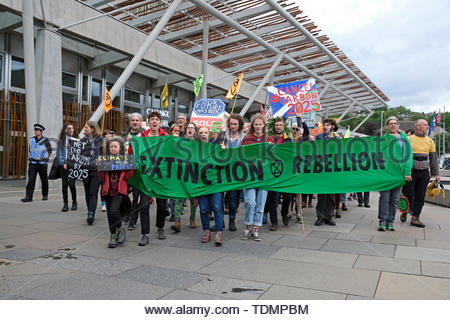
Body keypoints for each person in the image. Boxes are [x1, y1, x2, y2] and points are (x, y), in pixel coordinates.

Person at [402, 119, 440, 228]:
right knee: (408, 194)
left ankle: (415, 217)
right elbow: (403, 157)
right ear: (417, 127)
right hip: (410, 172)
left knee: (420, 196)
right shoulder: (408, 139)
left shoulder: (430, 141)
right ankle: (405, 210)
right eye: (425, 125)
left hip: (424, 173)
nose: (427, 127)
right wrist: (404, 172)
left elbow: (433, 159)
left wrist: (436, 174)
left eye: (427, 125)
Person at [98, 137, 135, 248]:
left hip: (119, 190)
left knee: (114, 211)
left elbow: (128, 176)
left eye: (115, 146)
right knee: (110, 215)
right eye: (111, 147)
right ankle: (113, 235)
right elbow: (102, 178)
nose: (113, 148)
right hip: (107, 190)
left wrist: (132, 167)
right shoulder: (104, 159)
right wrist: (99, 167)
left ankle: (119, 228)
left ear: (120, 148)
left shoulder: (125, 159)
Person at [241, 114, 273, 241]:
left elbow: (273, 157)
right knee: (250, 202)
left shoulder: (268, 139)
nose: (258, 126)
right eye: (256, 124)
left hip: (264, 176)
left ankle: (255, 229)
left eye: (260, 124)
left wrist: (271, 148)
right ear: (253, 126)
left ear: (264, 125)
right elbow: (241, 155)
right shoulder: (247, 139)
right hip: (250, 175)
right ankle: (248, 226)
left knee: (260, 204)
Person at [377, 116, 412, 231]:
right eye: (390, 123)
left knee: (395, 199)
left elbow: (408, 156)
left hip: (399, 173)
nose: (393, 125)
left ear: (398, 125)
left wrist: (407, 172)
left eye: (394, 123)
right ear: (387, 126)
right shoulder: (383, 139)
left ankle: (390, 221)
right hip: (386, 173)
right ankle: (382, 221)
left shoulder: (404, 139)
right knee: (384, 198)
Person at [213, 113, 246, 231]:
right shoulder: (222, 135)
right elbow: (214, 150)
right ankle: (219, 221)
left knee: (233, 198)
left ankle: (232, 219)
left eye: (235, 124)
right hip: (222, 170)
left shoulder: (244, 137)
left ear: (240, 125)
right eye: (231, 124)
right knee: (219, 197)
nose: (232, 126)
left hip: (236, 172)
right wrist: (220, 148)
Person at [140, 111, 169, 242]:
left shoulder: (166, 137)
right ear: (148, 122)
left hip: (161, 176)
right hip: (146, 176)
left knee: (162, 205)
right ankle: (145, 233)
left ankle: (160, 227)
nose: (154, 121)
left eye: (157, 119)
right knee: (144, 205)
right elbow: (133, 154)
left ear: (160, 123)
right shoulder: (141, 137)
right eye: (152, 119)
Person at [197, 126, 225, 245]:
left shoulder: (216, 147)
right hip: (201, 184)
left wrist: (223, 151)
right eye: (201, 132)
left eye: (205, 132)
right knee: (203, 209)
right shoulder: (194, 148)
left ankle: (218, 231)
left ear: (209, 134)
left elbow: (224, 163)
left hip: (215, 183)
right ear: (198, 135)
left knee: (217, 207)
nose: (203, 134)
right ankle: (206, 231)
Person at [170, 122, 198, 230]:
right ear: (185, 130)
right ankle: (177, 222)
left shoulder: (198, 143)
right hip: (181, 173)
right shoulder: (179, 141)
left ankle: (192, 219)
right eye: (189, 128)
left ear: (195, 131)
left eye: (192, 128)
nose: (190, 129)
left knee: (193, 199)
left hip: (193, 174)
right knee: (179, 197)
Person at [122, 113, 146, 230]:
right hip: (124, 170)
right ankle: (127, 211)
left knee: (136, 198)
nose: (135, 122)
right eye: (133, 120)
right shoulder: (123, 135)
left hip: (138, 172)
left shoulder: (144, 135)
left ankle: (133, 220)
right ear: (130, 122)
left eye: (137, 120)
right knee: (121, 194)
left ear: (140, 122)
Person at [314, 118, 340, 227]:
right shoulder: (320, 137)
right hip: (322, 169)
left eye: (328, 125)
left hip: (333, 170)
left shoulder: (338, 139)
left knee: (331, 195)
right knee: (322, 195)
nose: (326, 126)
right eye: (325, 125)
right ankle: (320, 217)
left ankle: (329, 216)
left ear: (333, 126)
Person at [21, 123, 52, 202]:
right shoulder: (31, 140)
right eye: (35, 130)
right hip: (33, 164)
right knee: (31, 180)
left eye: (37, 130)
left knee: (44, 180)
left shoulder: (45, 140)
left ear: (41, 132)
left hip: (42, 164)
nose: (36, 131)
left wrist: (45, 159)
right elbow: (29, 150)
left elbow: (49, 151)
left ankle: (45, 195)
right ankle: (28, 197)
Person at [81, 121, 103, 225]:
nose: (84, 129)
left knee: (93, 192)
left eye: (86, 127)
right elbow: (77, 154)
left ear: (93, 129)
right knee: (87, 192)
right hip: (85, 169)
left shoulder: (101, 140)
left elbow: (106, 153)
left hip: (97, 170)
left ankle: (91, 213)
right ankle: (89, 209)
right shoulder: (82, 140)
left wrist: (101, 159)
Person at [56, 123, 77, 211]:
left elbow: (78, 154)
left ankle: (74, 202)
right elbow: (59, 154)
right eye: (69, 128)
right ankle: (65, 204)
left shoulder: (77, 140)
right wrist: (63, 163)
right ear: (65, 130)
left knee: (71, 184)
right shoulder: (61, 140)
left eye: (72, 128)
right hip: (63, 165)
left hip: (73, 165)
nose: (71, 130)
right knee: (64, 185)